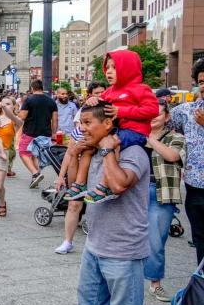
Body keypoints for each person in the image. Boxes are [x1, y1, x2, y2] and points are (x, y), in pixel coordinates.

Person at [56, 101, 150, 305]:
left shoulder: (133, 153)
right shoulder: (93, 150)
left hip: (124, 246)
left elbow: (120, 184)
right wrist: (76, 153)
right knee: (91, 301)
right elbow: (78, 188)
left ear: (108, 124)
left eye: (87, 123)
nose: (82, 128)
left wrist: (109, 151)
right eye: (80, 123)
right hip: (96, 240)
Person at [74, 51, 158, 204]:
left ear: (128, 68)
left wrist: (122, 111)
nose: (109, 71)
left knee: (112, 145)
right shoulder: (110, 91)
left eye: (114, 67)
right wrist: (92, 100)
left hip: (134, 132)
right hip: (116, 130)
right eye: (108, 68)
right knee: (87, 147)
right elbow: (99, 105)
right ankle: (79, 184)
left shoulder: (141, 89)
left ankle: (105, 186)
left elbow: (152, 110)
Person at [53, 81, 107, 254]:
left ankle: (97, 243)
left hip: (100, 170)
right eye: (96, 93)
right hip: (79, 170)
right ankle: (68, 241)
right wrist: (61, 176)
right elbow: (70, 154)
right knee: (73, 204)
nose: (99, 95)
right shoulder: (81, 123)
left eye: (102, 92)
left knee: (97, 206)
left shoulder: (110, 119)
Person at [144, 94, 185, 302]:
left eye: (157, 113)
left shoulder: (175, 137)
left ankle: (155, 282)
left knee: (155, 241)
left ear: (167, 117)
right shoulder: (134, 135)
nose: (152, 117)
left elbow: (172, 156)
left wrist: (148, 138)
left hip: (161, 193)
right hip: (135, 192)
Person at [171, 59, 204, 265]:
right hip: (195, 187)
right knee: (200, 239)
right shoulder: (185, 111)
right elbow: (158, 119)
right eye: (201, 81)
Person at [18, 79, 57, 189]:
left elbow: (22, 116)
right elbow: (55, 119)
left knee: (23, 152)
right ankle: (35, 178)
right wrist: (54, 133)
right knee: (36, 155)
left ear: (32, 88)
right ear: (42, 88)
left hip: (30, 132)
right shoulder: (51, 101)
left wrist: (18, 112)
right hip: (45, 133)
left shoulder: (29, 100)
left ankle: (35, 173)